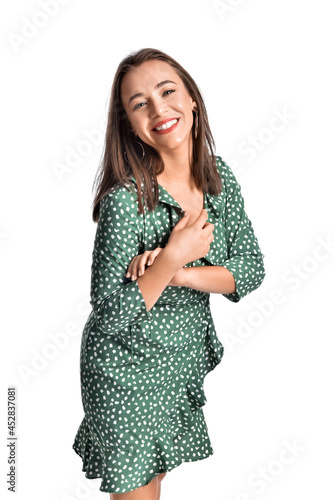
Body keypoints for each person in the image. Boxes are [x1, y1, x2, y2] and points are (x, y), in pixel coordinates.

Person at [72, 47, 266, 499]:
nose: (159, 109)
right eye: (139, 104)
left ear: (192, 99)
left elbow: (251, 270)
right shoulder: (126, 201)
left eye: (167, 91)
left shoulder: (220, 178)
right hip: (124, 375)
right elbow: (108, 319)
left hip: (176, 370)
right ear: (130, 125)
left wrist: (175, 270)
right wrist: (172, 258)